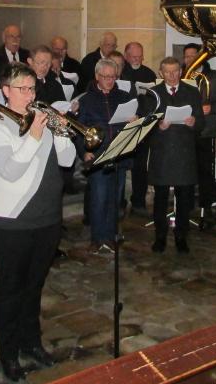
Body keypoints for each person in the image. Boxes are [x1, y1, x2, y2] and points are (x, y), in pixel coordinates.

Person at [0, 63, 75, 383]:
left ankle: (31, 342)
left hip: (46, 217)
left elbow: (66, 160)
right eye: (23, 89)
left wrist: (60, 132)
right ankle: (8, 354)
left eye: (33, 89)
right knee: (11, 288)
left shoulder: (41, 120)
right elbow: (10, 170)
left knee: (34, 286)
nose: (30, 95)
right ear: (5, 90)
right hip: (11, 219)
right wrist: (35, 134)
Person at [76, 58, 134, 253]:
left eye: (112, 76)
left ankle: (110, 236)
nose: (110, 80)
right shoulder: (86, 100)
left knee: (115, 198)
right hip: (98, 155)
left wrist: (134, 121)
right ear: (97, 77)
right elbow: (78, 131)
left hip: (119, 154)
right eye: (105, 77)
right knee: (99, 198)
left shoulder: (125, 97)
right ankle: (97, 238)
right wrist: (84, 152)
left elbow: (133, 128)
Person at [146, 56, 204, 254]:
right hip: (162, 152)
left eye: (175, 71)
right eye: (167, 72)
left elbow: (202, 123)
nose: (171, 76)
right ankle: (160, 236)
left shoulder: (192, 92)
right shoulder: (153, 94)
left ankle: (181, 236)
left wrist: (194, 122)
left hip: (184, 152)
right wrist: (158, 126)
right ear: (161, 73)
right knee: (160, 198)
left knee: (185, 198)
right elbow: (144, 125)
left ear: (181, 72)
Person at [182, 43, 216, 229]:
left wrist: (212, 108)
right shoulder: (180, 76)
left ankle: (206, 207)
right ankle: (185, 205)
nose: (190, 59)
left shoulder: (213, 77)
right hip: (184, 130)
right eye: (187, 56)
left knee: (205, 171)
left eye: (194, 55)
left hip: (205, 130)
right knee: (184, 169)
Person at [120, 42, 157, 215]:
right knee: (119, 164)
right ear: (126, 56)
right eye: (133, 57)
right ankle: (119, 202)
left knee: (140, 165)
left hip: (142, 122)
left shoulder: (149, 73)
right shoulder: (121, 71)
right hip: (123, 123)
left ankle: (138, 202)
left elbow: (155, 100)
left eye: (139, 56)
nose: (137, 59)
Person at [0, 24, 29, 89]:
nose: (15, 40)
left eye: (18, 37)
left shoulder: (27, 55)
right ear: (4, 38)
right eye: (11, 36)